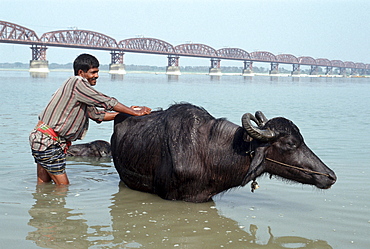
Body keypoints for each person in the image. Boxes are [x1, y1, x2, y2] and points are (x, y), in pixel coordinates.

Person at [29, 53, 151, 185]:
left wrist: (126, 113)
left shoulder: (81, 93)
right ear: (81, 72)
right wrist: (133, 111)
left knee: (43, 186)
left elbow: (97, 115)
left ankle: (41, 204)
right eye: (93, 72)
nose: (97, 76)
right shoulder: (77, 83)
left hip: (42, 139)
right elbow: (105, 101)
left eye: (97, 72)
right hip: (48, 142)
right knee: (63, 188)